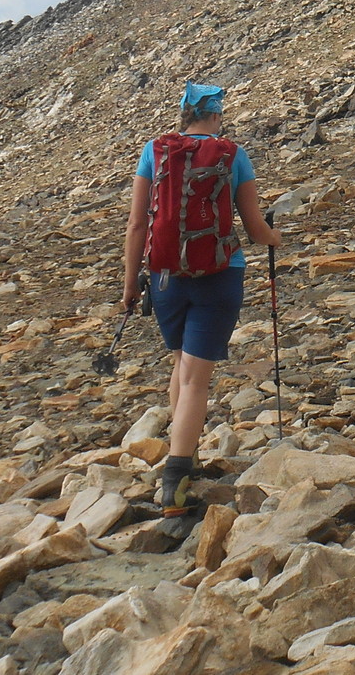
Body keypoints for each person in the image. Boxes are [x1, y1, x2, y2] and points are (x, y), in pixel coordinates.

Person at [123, 81, 279, 517]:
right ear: (215, 114)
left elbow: (137, 225)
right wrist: (275, 237)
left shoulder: (154, 152)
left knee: (181, 364)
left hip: (165, 276)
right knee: (195, 377)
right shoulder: (233, 154)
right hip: (219, 273)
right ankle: (175, 483)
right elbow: (253, 228)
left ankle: (185, 456)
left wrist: (131, 283)